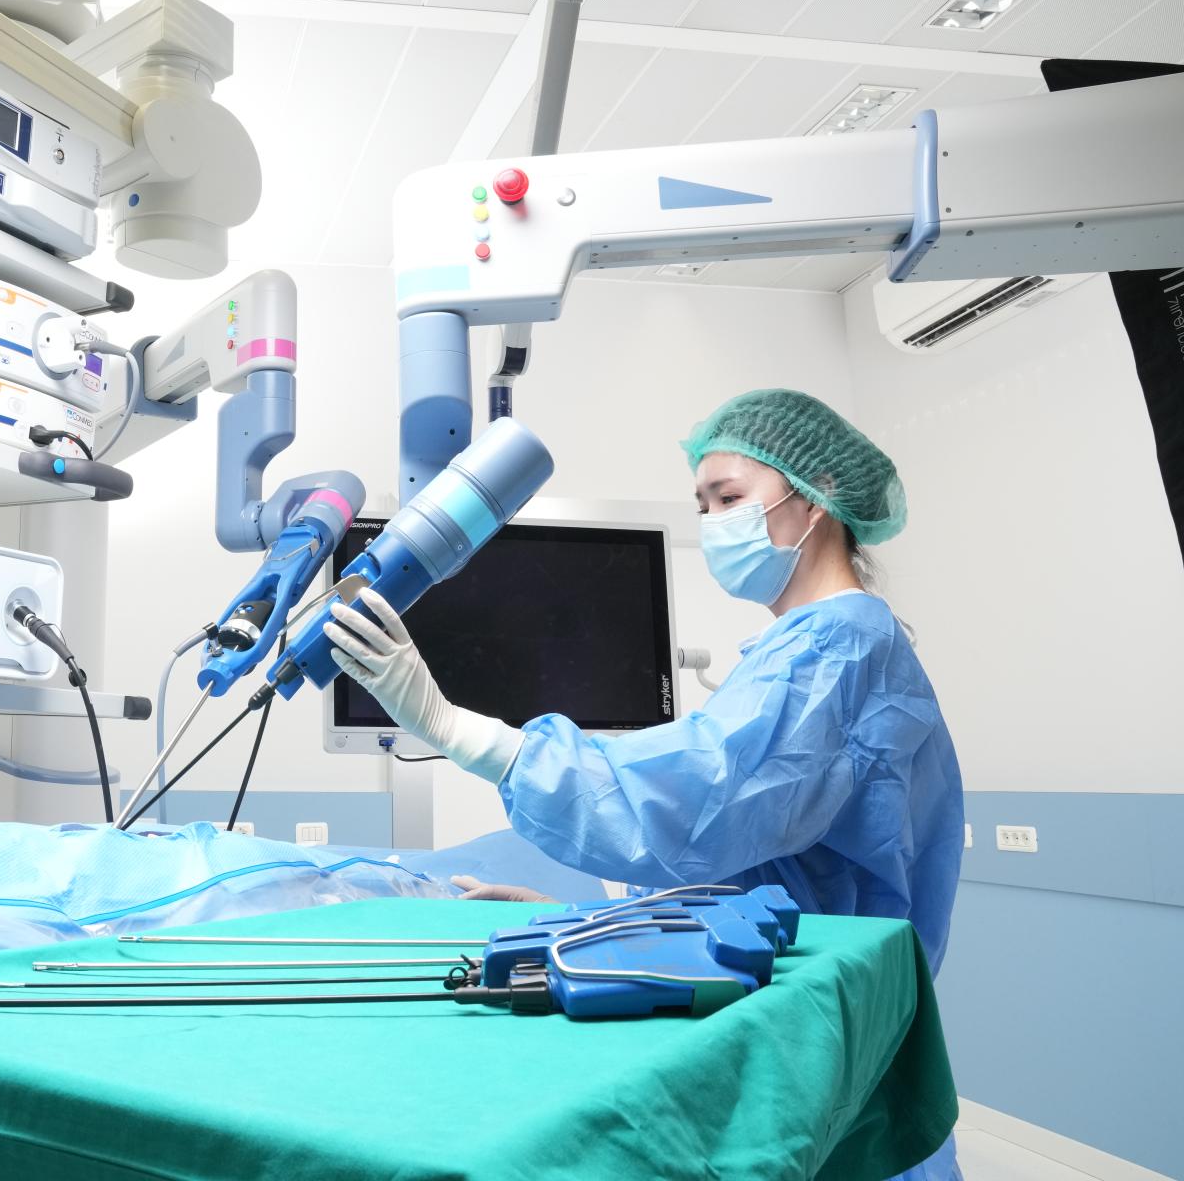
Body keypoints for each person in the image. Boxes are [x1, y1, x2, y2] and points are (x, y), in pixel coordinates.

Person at [328, 388, 964, 1178]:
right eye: (701, 503)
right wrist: (590, 925)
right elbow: (749, 874)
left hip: (805, 1032)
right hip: (799, 1006)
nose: (712, 521)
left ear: (819, 498)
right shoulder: (805, 650)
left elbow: (702, 804)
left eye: (729, 497)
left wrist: (460, 731)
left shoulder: (840, 648)